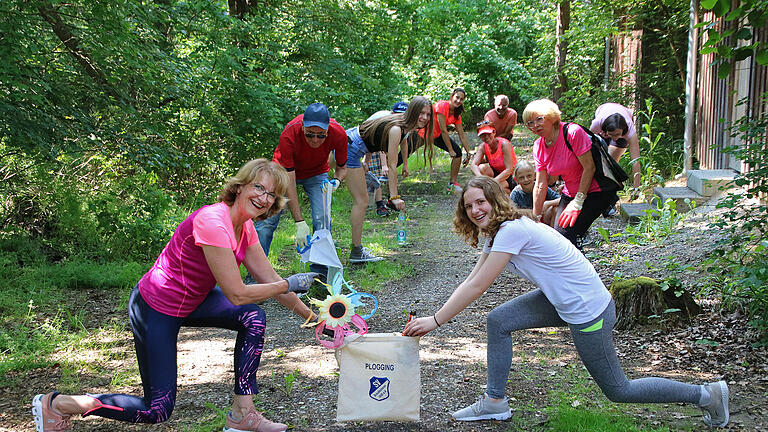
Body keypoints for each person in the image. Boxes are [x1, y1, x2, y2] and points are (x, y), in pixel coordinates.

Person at [403, 176, 730, 428]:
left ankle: (706, 395)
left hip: (589, 310)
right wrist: (437, 316)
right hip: (563, 300)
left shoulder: (512, 230)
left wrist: (435, 320)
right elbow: (472, 279)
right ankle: (494, 402)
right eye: (469, 206)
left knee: (618, 389)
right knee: (499, 321)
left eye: (481, 202)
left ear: (495, 200)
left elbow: (478, 286)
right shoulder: (497, 232)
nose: (475, 211)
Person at [32, 159, 321, 432]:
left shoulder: (244, 227)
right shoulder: (214, 221)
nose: (264, 197)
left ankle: (242, 415)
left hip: (194, 301)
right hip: (155, 308)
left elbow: (269, 279)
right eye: (259, 187)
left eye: (271, 194)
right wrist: (288, 284)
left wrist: (314, 318)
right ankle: (57, 403)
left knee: (253, 318)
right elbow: (237, 293)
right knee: (155, 410)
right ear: (240, 186)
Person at [254, 103, 348, 278]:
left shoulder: (339, 134)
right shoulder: (290, 132)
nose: (315, 140)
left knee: (323, 219)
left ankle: (321, 271)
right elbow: (289, 181)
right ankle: (257, 276)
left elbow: (342, 168)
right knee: (267, 222)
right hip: (282, 172)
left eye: (321, 136)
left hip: (317, 172)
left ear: (328, 130)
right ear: (303, 127)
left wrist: (336, 181)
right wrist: (299, 222)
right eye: (310, 134)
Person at [345, 96, 434, 263]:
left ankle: (348, 246)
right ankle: (356, 251)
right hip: (351, 148)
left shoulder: (404, 126)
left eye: (428, 114)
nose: (425, 118)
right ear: (413, 111)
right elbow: (392, 165)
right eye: (421, 113)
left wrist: (367, 162)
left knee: (352, 196)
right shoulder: (397, 129)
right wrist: (394, 197)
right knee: (362, 201)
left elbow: (372, 136)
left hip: (352, 143)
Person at [523, 98, 618, 249]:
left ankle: (579, 270)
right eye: (530, 123)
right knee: (560, 236)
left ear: (551, 117)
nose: (535, 126)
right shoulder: (538, 146)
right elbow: (541, 184)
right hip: (570, 192)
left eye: (539, 119)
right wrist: (536, 216)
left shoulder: (572, 132)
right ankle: (570, 268)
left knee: (567, 235)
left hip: (596, 191)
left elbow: (589, 168)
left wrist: (578, 203)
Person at [416, 88, 472, 192]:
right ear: (452, 96)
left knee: (458, 153)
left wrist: (468, 152)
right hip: (422, 133)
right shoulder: (442, 106)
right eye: (457, 97)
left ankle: (452, 183)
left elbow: (462, 134)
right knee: (404, 155)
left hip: (436, 135)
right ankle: (385, 172)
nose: (459, 101)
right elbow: (443, 130)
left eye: (461, 99)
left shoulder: (456, 113)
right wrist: (450, 150)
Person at [365, 101, 411, 217]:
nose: (399, 117)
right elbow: (380, 145)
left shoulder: (404, 125)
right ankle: (380, 205)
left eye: (402, 115)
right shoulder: (386, 122)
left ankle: (390, 200)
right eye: (397, 114)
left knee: (390, 171)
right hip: (369, 140)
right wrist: (384, 165)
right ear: (392, 113)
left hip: (381, 144)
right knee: (378, 173)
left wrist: (405, 164)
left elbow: (404, 143)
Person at [590, 103, 641, 193]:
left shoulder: (630, 131)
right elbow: (587, 149)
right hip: (603, 118)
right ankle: (597, 188)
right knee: (599, 161)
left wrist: (636, 188)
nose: (614, 138)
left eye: (617, 134)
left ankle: (609, 190)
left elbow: (636, 161)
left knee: (611, 163)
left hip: (623, 122)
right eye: (611, 135)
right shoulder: (597, 124)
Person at [509, 160, 560, 227]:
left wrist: (548, 204)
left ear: (535, 175)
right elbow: (512, 213)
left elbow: (561, 199)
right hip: (527, 223)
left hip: (543, 217)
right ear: (516, 180)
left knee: (556, 209)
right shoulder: (515, 193)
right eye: (521, 177)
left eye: (529, 176)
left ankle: (554, 233)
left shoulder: (540, 187)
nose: (526, 179)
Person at [469, 124, 518, 193]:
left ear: (494, 132)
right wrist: (481, 178)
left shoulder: (504, 144)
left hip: (510, 176)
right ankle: (489, 188)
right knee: (482, 168)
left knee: (495, 189)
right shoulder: (483, 146)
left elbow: (509, 169)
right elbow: (473, 164)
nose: (486, 137)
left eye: (488, 134)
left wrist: (493, 182)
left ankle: (509, 194)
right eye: (483, 135)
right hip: (497, 173)